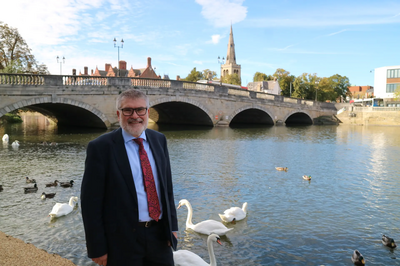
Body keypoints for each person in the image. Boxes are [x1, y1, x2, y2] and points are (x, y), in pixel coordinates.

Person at [81, 89, 178, 266]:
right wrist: (97, 247)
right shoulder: (101, 147)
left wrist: (172, 227)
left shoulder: (159, 140)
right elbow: (90, 204)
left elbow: (167, 188)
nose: (135, 116)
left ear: (148, 112)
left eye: (140, 109)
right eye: (128, 110)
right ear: (119, 114)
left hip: (159, 236)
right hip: (121, 241)